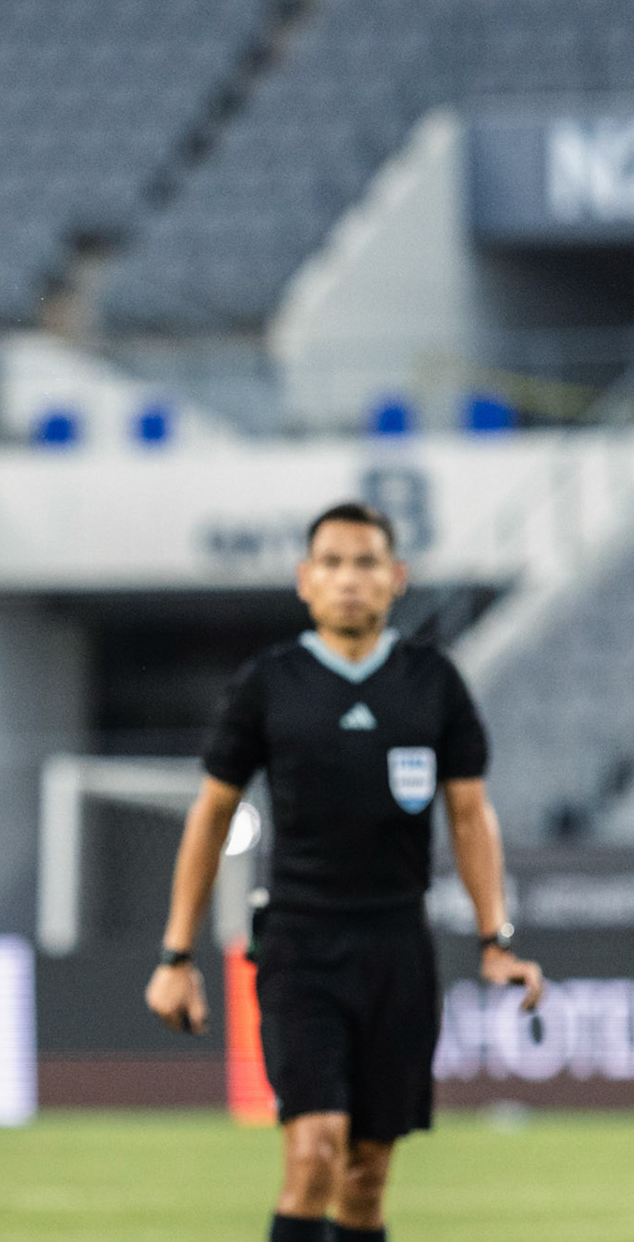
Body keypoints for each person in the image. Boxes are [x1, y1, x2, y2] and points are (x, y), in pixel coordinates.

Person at [145, 502, 545, 1242]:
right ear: (305, 580)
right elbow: (210, 814)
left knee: (366, 1174)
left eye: (366, 562)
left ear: (397, 578)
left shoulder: (434, 683)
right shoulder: (270, 682)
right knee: (314, 1148)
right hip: (299, 944)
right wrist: (176, 954)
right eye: (331, 562)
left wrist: (498, 938)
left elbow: (469, 815)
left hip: (398, 946)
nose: (348, 578)